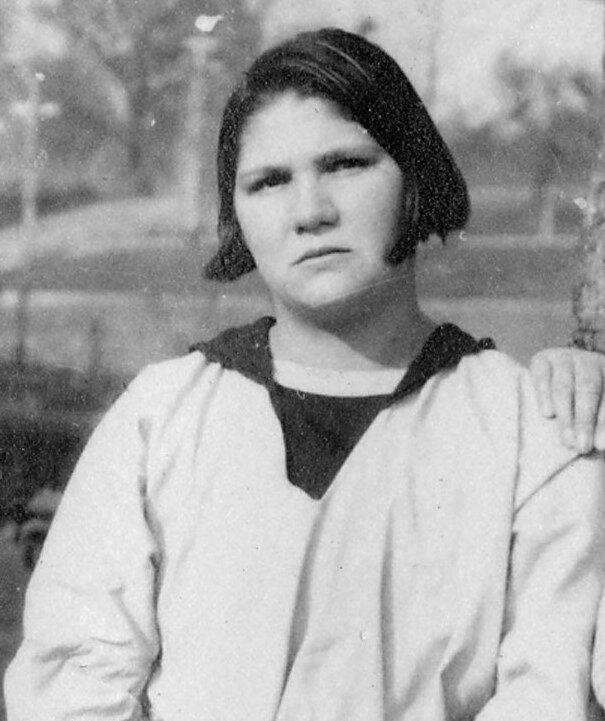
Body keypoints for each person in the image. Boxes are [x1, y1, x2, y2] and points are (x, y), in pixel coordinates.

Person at [5, 27, 605, 721]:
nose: (310, 211)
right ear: (236, 212)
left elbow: (548, 693)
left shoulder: (533, 430)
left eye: (346, 164)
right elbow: (73, 684)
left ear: (415, 173)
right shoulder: (161, 415)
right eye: (268, 181)